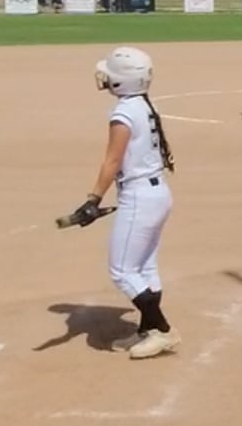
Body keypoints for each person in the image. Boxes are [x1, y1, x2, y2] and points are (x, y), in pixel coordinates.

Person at [69, 47, 180, 359]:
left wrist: (92, 200)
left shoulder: (124, 113)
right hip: (157, 193)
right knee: (144, 267)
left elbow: (112, 160)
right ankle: (147, 330)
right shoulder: (143, 104)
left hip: (139, 196)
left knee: (121, 270)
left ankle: (163, 330)